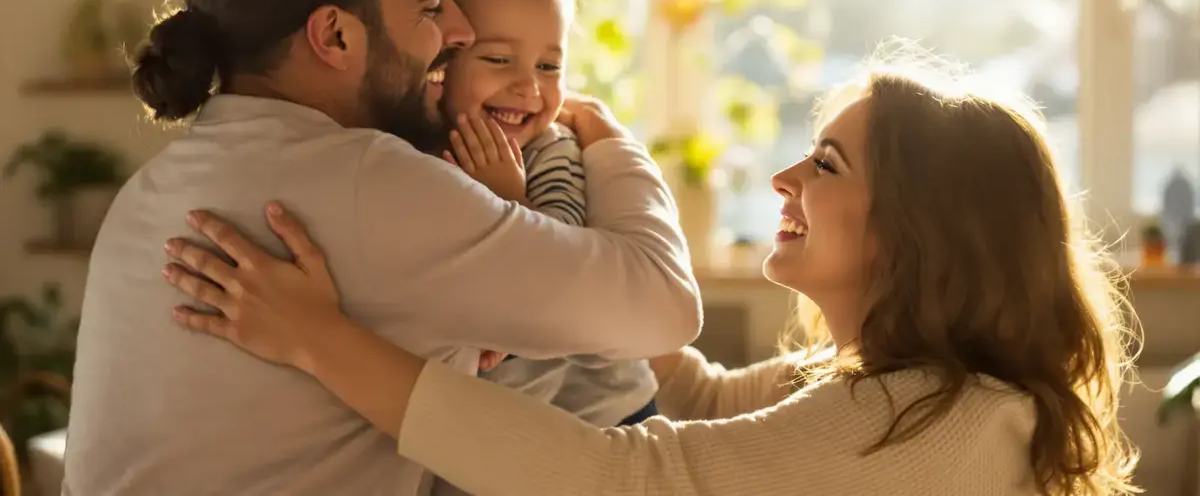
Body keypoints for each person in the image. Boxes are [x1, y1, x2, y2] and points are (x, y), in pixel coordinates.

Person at [162, 47, 1142, 495]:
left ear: (916, 233)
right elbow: (704, 401)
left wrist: (321, 339)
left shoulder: (923, 422)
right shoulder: (925, 393)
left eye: (829, 165)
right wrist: (564, 246)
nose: (784, 176)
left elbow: (626, 477)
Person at [64, 0, 700, 496]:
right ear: (334, 36)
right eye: (430, 7)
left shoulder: (147, 191)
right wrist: (609, 138)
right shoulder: (371, 182)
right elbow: (666, 308)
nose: (456, 32)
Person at [434, 0, 660, 429]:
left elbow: (565, 269)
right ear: (440, 53)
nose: (528, 87)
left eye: (549, 67)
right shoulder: (415, 151)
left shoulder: (549, 150)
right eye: (498, 59)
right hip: (499, 426)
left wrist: (509, 202)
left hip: (604, 416)